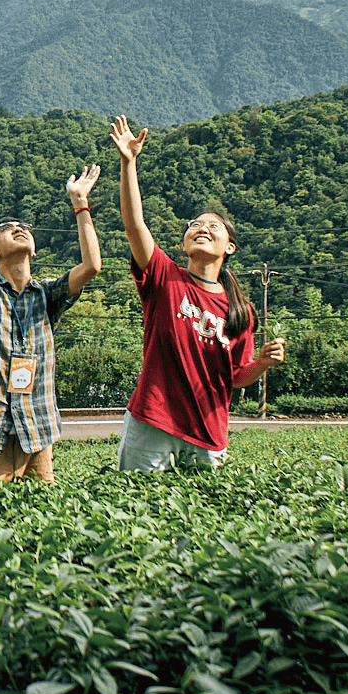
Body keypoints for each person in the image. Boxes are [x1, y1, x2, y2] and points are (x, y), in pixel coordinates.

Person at [109, 115, 285, 470]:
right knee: (137, 501)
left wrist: (263, 363)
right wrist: (129, 164)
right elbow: (134, 224)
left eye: (213, 226)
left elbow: (237, 375)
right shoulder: (164, 277)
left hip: (208, 431)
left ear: (230, 247)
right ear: (184, 241)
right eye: (195, 225)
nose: (202, 228)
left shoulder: (240, 311)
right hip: (153, 421)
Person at [0, 167, 103, 486]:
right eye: (8, 228)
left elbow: (92, 266)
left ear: (35, 249)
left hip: (36, 430)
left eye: (25, 228)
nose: (19, 229)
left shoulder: (47, 294)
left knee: (38, 514)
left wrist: (80, 204)